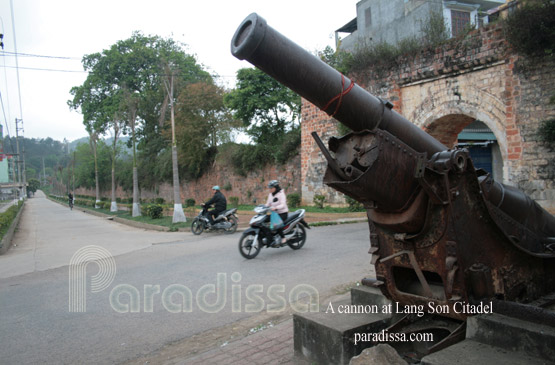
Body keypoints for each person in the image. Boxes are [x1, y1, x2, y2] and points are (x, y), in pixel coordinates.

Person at [266, 180, 289, 245]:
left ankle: (283, 237)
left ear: (275, 187)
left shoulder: (281, 194)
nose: (270, 189)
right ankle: (269, 237)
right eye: (269, 188)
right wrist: (262, 207)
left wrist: (276, 207)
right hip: (274, 213)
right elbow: (268, 204)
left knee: (276, 224)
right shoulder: (270, 195)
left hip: (282, 213)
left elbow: (283, 204)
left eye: (271, 188)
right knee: (264, 220)